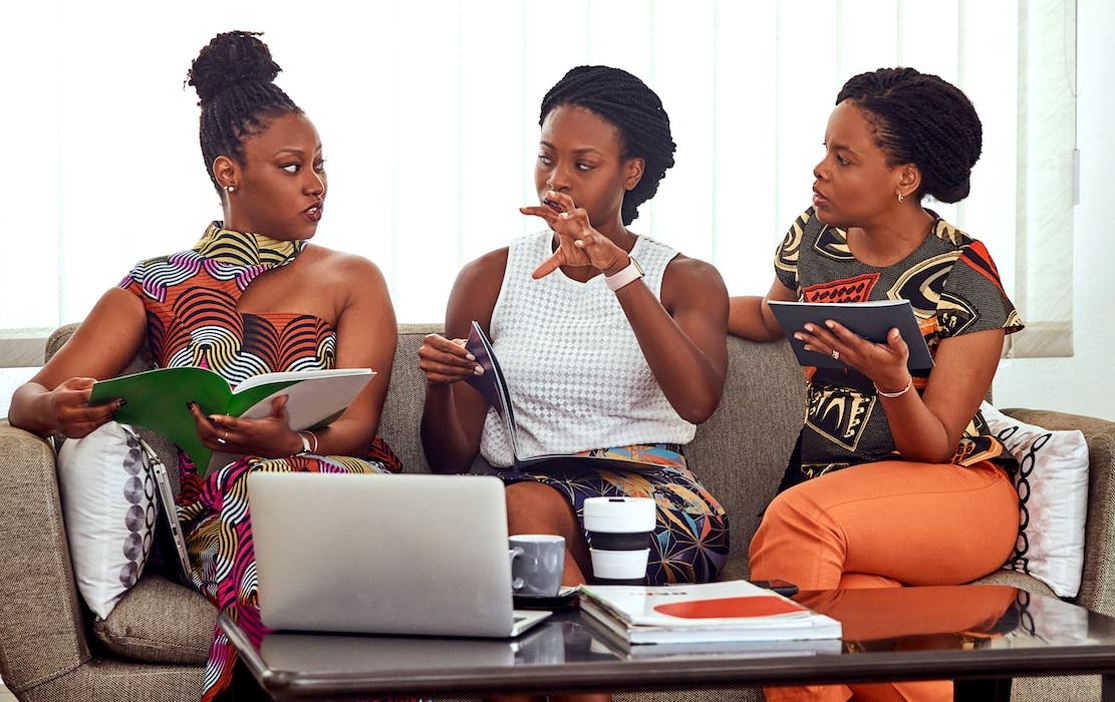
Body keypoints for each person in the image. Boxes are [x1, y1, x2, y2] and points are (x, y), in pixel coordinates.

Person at [8, 31, 400, 702]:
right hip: (225, 508)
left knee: (274, 485)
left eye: (319, 164)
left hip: (340, 479)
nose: (315, 184)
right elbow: (29, 397)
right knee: (253, 489)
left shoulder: (351, 277)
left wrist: (292, 441)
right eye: (290, 166)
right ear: (229, 172)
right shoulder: (155, 284)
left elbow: (359, 423)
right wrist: (52, 409)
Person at [729, 67, 1024, 702]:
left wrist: (893, 383)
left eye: (844, 157)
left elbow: (937, 445)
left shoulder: (965, 276)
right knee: (865, 630)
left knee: (795, 522)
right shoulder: (816, 236)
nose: (820, 170)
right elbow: (764, 316)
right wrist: (661, 294)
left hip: (956, 494)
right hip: (846, 506)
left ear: (904, 179)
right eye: (824, 150)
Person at [419, 65, 730, 595]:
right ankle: (579, 681)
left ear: (631, 172)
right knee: (512, 516)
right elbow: (449, 458)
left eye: (583, 164)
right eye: (546, 157)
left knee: (517, 522)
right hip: (519, 498)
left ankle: (564, 676)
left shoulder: (686, 279)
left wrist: (619, 272)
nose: (556, 179)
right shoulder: (487, 277)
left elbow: (697, 402)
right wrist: (441, 381)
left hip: (654, 507)